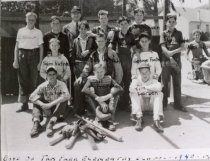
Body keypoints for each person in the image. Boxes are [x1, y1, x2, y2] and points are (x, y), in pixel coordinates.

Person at [74, 33, 123, 115]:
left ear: (105, 42)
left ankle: (107, 108)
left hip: (107, 78)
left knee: (115, 89)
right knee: (77, 83)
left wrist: (118, 81)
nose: (100, 43)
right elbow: (87, 67)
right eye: (98, 41)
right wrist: (81, 76)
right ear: (96, 42)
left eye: (102, 41)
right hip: (96, 77)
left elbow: (118, 68)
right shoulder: (93, 54)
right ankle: (80, 110)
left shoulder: (111, 52)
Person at [13, 12, 43, 112]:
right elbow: (16, 47)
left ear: (35, 21)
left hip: (34, 55)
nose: (31, 21)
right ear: (26, 20)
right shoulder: (21, 31)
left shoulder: (38, 32)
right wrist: (15, 60)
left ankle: (35, 104)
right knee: (22, 79)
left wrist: (40, 62)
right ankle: (24, 104)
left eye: (33, 20)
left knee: (34, 79)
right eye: (29, 19)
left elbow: (41, 48)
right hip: (22, 56)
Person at [29, 66, 70, 137]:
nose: (52, 76)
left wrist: (50, 105)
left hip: (56, 107)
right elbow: (31, 97)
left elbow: (67, 96)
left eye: (53, 74)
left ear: (56, 75)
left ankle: (50, 124)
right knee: (36, 100)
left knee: (63, 100)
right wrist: (42, 104)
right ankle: (36, 124)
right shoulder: (43, 85)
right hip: (46, 106)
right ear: (47, 76)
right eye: (49, 74)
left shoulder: (61, 84)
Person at [82, 64, 123, 131]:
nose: (99, 74)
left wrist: (107, 97)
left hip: (107, 101)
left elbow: (120, 89)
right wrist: (97, 98)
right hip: (97, 102)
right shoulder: (91, 79)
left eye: (101, 72)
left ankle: (110, 120)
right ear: (94, 72)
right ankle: (99, 119)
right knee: (89, 92)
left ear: (104, 71)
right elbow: (84, 89)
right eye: (97, 72)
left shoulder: (108, 78)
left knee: (115, 92)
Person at [160, 13, 187, 112]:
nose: (171, 23)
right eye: (169, 21)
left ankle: (178, 104)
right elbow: (163, 49)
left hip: (177, 62)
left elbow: (183, 47)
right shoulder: (163, 33)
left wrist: (172, 52)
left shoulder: (179, 33)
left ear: (175, 22)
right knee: (164, 84)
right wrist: (169, 54)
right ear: (166, 22)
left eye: (173, 21)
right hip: (166, 63)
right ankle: (163, 104)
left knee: (177, 83)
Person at [109, 16, 135, 111]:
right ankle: (118, 104)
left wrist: (135, 54)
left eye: (125, 24)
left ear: (129, 24)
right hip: (118, 61)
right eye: (121, 24)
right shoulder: (116, 34)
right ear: (119, 25)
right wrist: (113, 53)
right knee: (119, 82)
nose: (123, 26)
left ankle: (126, 103)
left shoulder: (131, 35)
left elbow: (134, 47)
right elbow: (111, 45)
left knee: (127, 82)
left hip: (128, 61)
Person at [129, 63, 164, 132]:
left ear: (150, 72)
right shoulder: (136, 79)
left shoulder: (153, 79)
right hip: (141, 107)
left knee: (159, 93)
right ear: (139, 73)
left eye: (146, 72)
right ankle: (139, 118)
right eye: (142, 73)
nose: (144, 74)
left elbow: (159, 87)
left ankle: (156, 120)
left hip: (151, 106)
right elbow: (131, 88)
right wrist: (150, 89)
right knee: (133, 93)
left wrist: (143, 88)